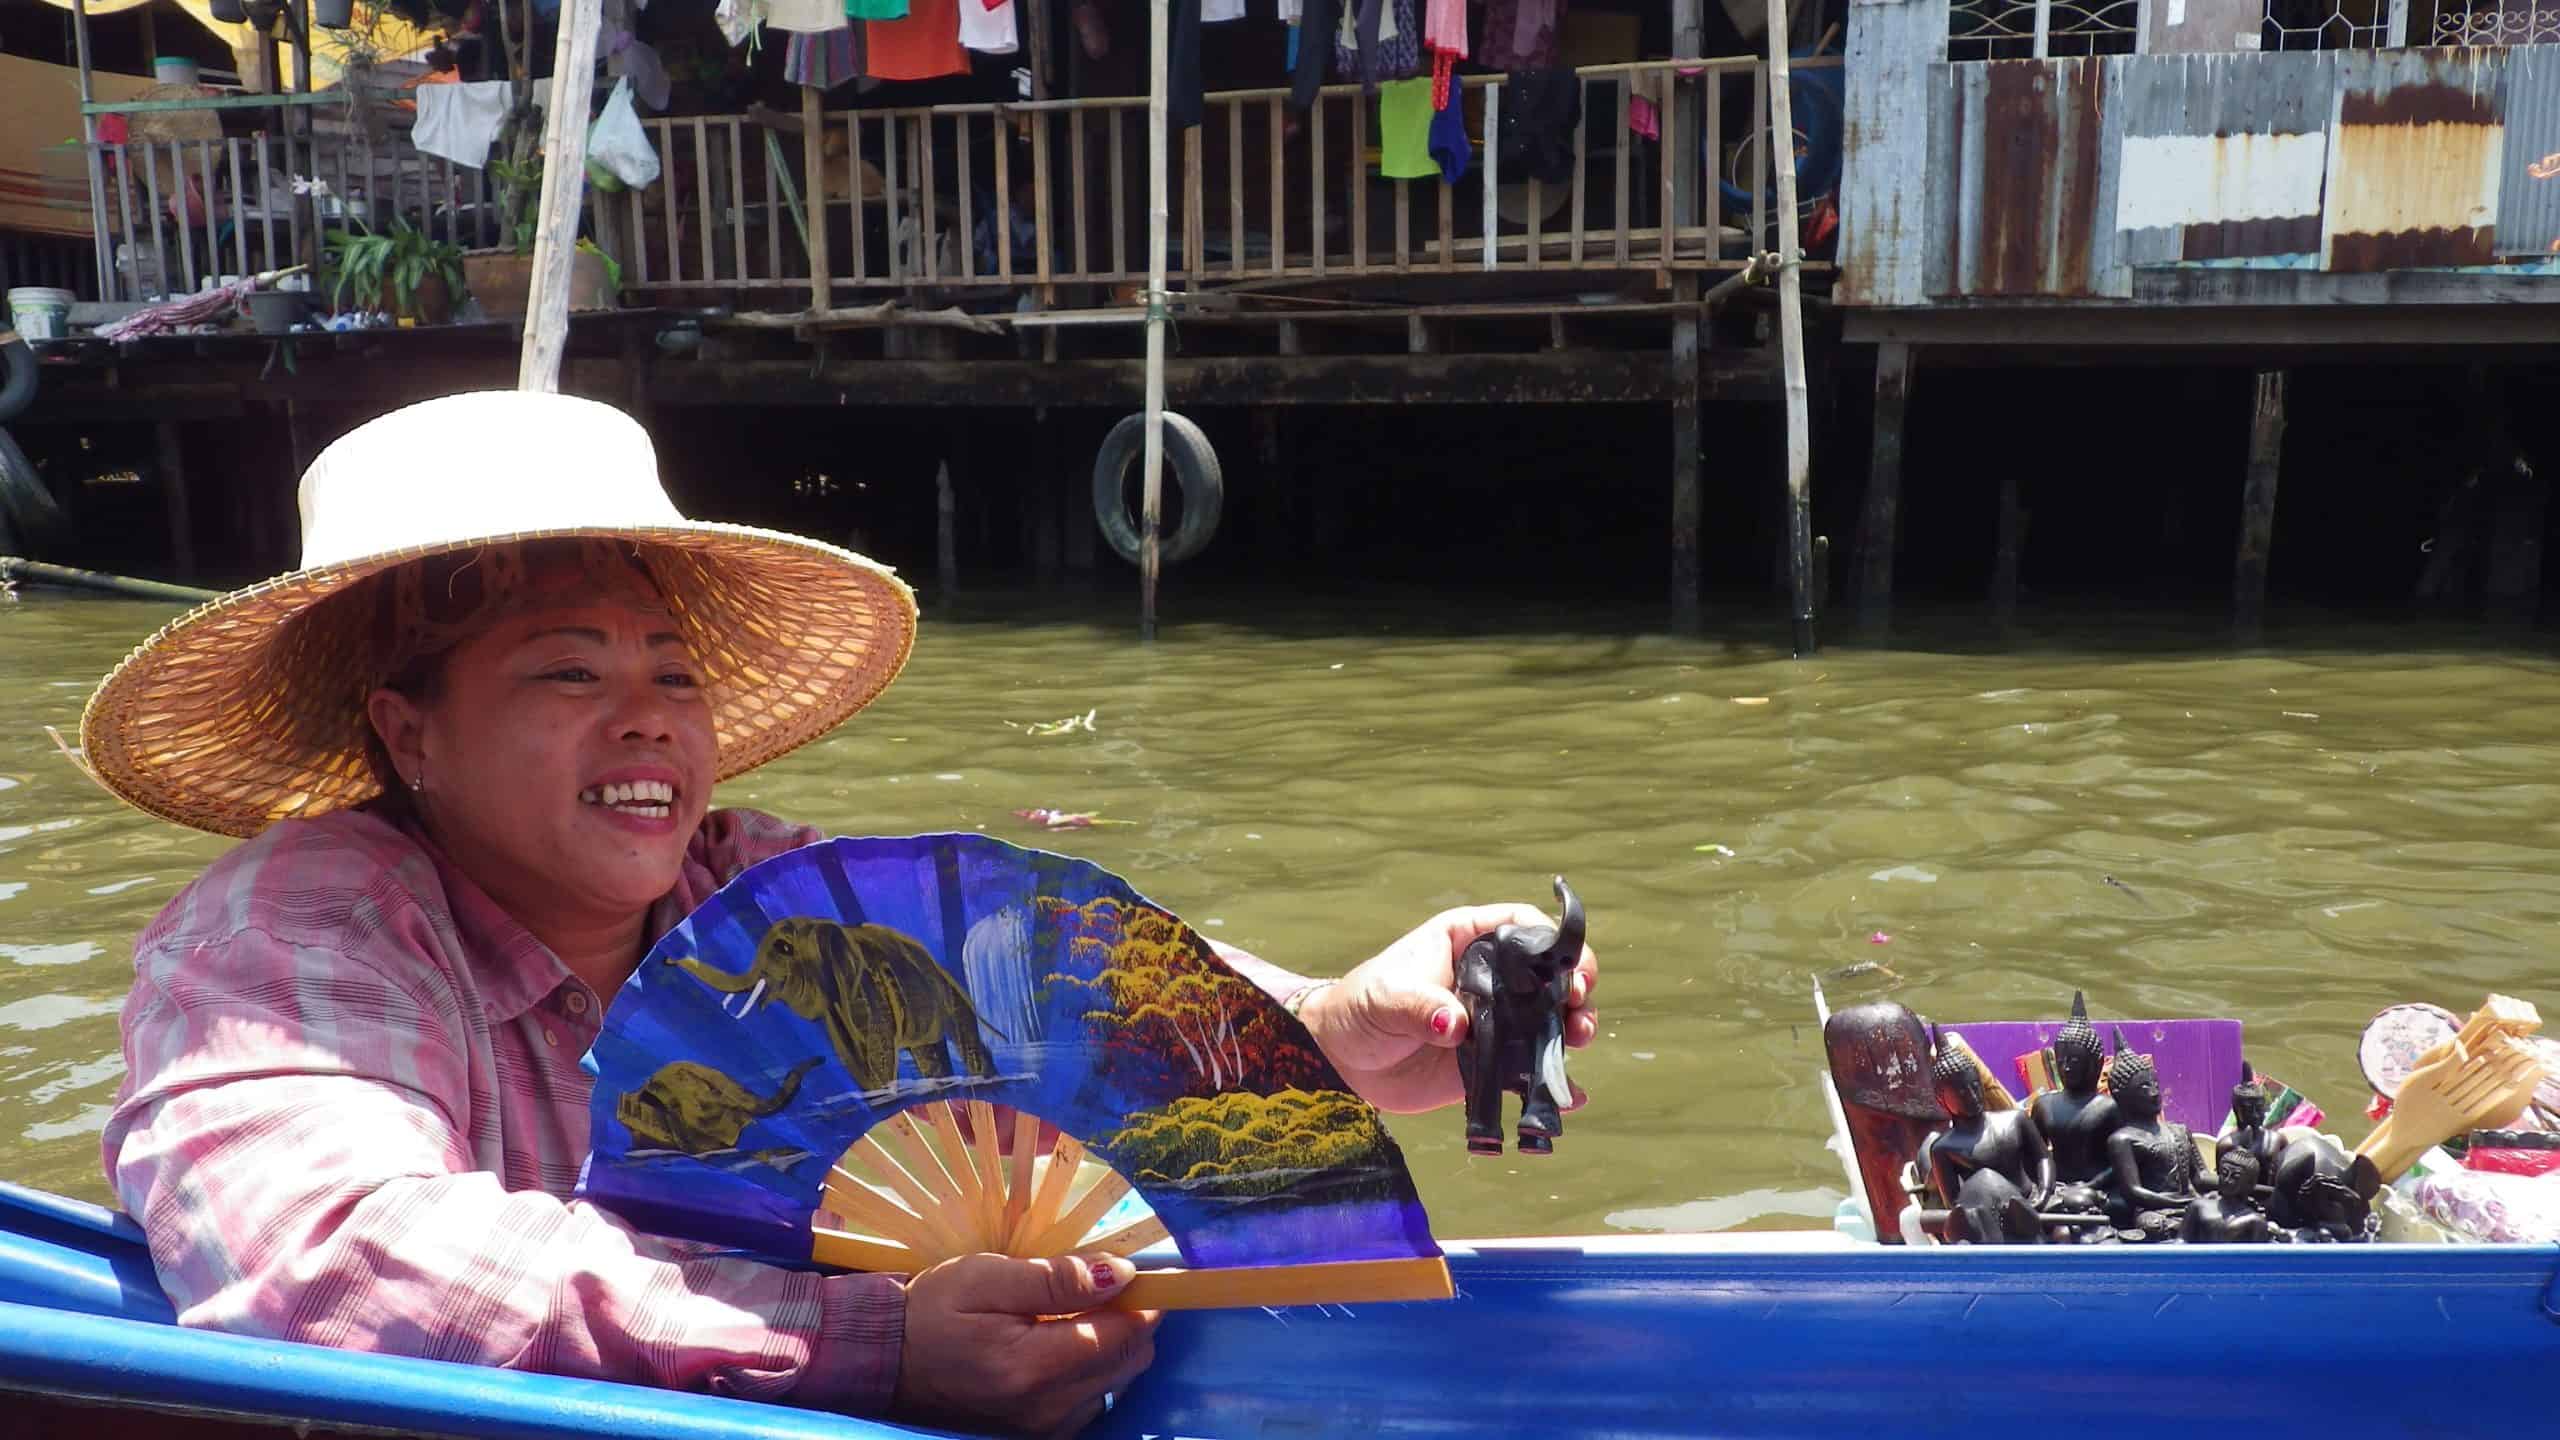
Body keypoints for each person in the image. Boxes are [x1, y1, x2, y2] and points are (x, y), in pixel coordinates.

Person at [85, 391, 1599, 1437]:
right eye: (569, 672)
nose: (650, 724)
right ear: (409, 736)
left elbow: (1051, 997)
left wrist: (1334, 1031)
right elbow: (340, 1263)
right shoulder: (294, 931)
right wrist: (867, 1347)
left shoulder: (752, 892)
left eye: (674, 678)